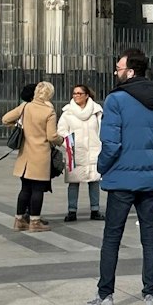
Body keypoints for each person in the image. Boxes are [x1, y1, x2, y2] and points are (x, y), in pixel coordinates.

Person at [87, 47, 153, 305]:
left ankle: (106, 296)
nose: (115, 71)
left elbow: (111, 143)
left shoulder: (116, 100)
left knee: (112, 237)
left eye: (119, 67)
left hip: (121, 178)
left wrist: (101, 167)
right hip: (149, 177)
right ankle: (150, 295)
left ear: (131, 71)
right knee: (149, 236)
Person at [0, 81, 59, 232]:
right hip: (40, 155)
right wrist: (62, 140)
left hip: (25, 155)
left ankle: (19, 220)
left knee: (25, 189)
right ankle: (35, 221)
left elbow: (5, 119)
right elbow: (52, 136)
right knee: (38, 190)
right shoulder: (49, 111)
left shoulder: (25, 107)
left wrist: (18, 126)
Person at [60, 83, 104, 222]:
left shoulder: (96, 111)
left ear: (86, 95)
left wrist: (101, 144)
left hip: (93, 150)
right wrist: (68, 143)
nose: (76, 96)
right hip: (75, 151)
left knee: (94, 181)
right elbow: (61, 130)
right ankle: (72, 210)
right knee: (74, 182)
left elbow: (101, 130)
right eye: (74, 93)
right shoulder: (67, 112)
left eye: (79, 93)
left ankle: (95, 210)